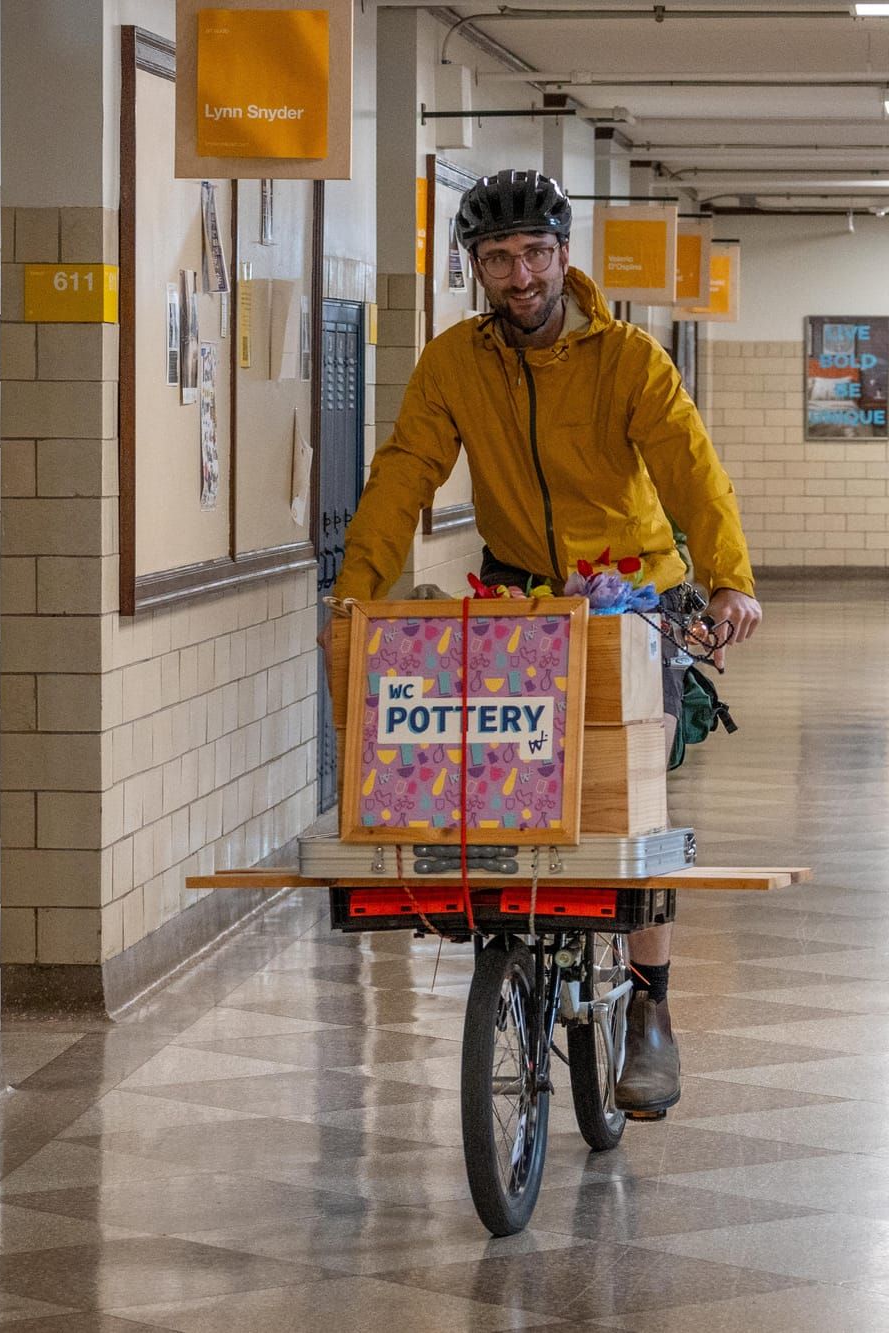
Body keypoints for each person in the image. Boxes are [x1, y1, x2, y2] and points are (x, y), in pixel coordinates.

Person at [328, 168, 761, 1116]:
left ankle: (649, 1007)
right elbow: (405, 473)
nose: (517, 274)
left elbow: (691, 465)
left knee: (629, 805)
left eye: (532, 253)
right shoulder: (455, 364)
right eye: (495, 258)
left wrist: (730, 578)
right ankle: (515, 943)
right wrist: (352, 599)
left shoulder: (630, 359)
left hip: (632, 594)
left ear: (564, 255)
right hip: (521, 590)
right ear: (473, 267)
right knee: (502, 761)